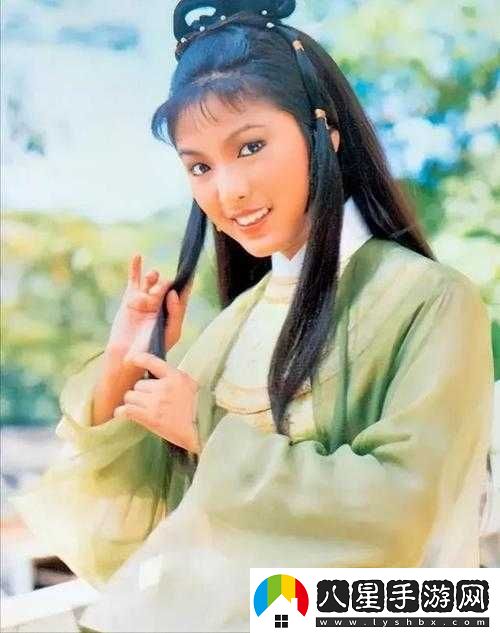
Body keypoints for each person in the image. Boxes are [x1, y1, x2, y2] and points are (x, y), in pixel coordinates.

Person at [13, 1, 494, 631]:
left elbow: (405, 512)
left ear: (325, 135)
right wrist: (123, 369)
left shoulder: (429, 300)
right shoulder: (236, 324)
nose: (228, 190)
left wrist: (208, 427)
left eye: (251, 146)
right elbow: (135, 526)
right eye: (200, 166)